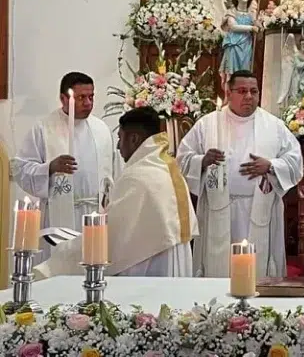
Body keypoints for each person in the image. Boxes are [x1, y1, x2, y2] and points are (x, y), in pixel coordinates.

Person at [34, 107, 199, 278]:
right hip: (170, 260)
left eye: (120, 138)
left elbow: (110, 238)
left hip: (151, 265)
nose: (119, 146)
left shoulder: (139, 177)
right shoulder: (166, 168)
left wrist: (60, 259)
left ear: (134, 139)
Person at [177, 70, 303, 278]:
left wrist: (271, 166)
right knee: (219, 268)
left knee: (257, 272)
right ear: (229, 93)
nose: (249, 96)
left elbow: (295, 161)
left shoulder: (274, 126)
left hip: (259, 207)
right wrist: (202, 161)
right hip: (219, 209)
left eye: (254, 91)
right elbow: (182, 158)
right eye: (242, 91)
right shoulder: (208, 124)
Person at [11, 72, 115, 260]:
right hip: (59, 216)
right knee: (59, 265)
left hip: (95, 217)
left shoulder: (101, 129)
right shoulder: (44, 128)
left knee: (93, 264)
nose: (88, 103)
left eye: (91, 97)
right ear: (63, 98)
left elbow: (114, 174)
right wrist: (49, 168)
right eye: (81, 97)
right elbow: (20, 168)